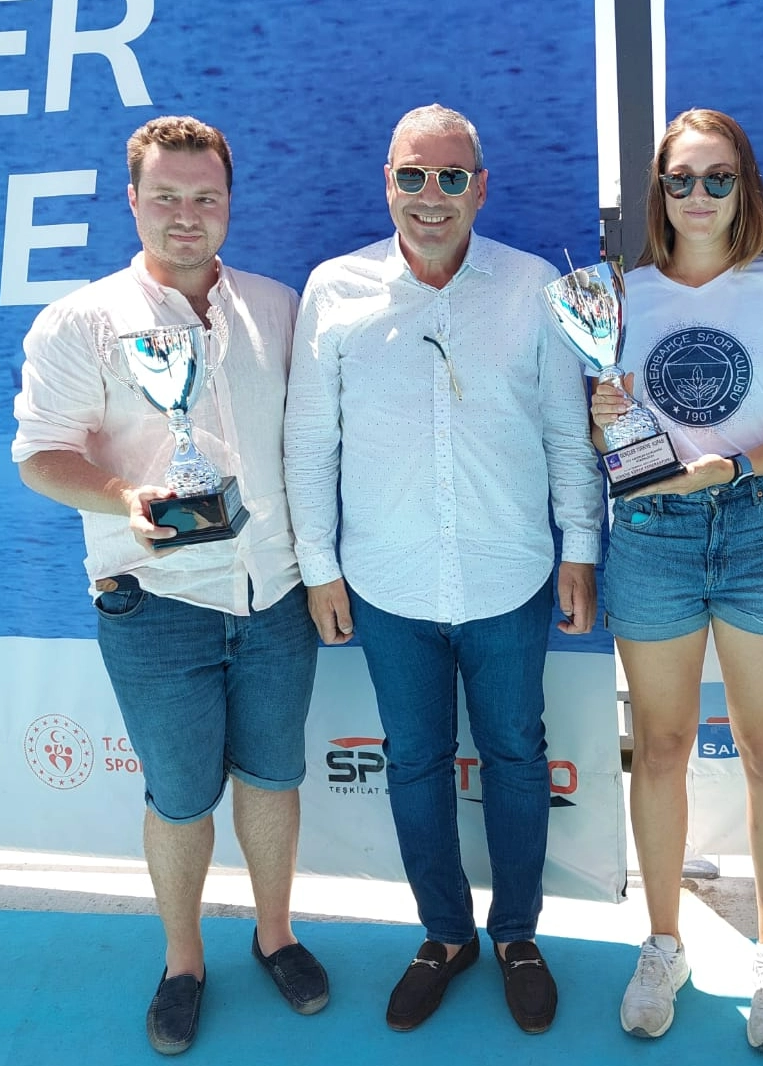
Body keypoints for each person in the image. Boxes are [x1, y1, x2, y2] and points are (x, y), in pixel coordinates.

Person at [283, 103, 603, 1035]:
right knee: (416, 761)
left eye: (451, 176)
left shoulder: (534, 287)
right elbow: (309, 443)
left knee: (516, 756)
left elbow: (566, 432)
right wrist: (319, 567)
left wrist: (581, 547)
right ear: (387, 183)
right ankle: (445, 935)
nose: (432, 196)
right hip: (385, 583)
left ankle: (517, 936)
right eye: (413, 176)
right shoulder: (334, 290)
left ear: (480, 187)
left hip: (511, 574)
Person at [12, 115, 327, 1056]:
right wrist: (124, 497)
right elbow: (39, 455)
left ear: (229, 202)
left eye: (205, 198)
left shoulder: (278, 307)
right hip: (155, 602)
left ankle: (276, 936)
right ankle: (183, 962)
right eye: (165, 198)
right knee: (182, 797)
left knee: (272, 778)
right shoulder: (82, 320)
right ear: (133, 201)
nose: (186, 216)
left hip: (273, 593)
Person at [590, 108, 763, 1053]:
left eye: (718, 177)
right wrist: (604, 415)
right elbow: (604, 435)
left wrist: (733, 468)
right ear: (659, 192)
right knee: (659, 747)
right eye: (681, 179)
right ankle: (664, 943)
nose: (698, 195)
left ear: (746, 186)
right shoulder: (620, 297)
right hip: (650, 535)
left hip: (760, 529)